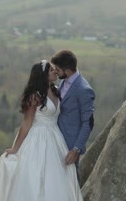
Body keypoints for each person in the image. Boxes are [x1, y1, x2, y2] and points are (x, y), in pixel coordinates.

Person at [0, 60, 83, 201]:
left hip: (55, 139)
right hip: (37, 139)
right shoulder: (34, 96)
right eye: (51, 70)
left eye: (54, 69)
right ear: (43, 75)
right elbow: (26, 123)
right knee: (35, 176)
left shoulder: (55, 91)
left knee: (57, 177)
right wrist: (15, 148)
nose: (55, 71)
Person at [50, 50, 95, 178]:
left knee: (70, 182)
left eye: (58, 69)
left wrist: (76, 149)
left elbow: (88, 123)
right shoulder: (63, 81)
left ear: (67, 70)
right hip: (55, 140)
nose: (56, 72)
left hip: (70, 145)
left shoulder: (84, 89)